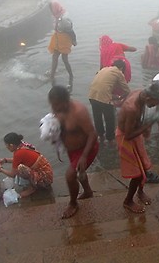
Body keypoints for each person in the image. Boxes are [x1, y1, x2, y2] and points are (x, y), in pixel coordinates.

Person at [48, 85, 99, 218]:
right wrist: (58, 144)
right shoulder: (57, 109)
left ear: (65, 102)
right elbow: (61, 129)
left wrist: (84, 156)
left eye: (57, 105)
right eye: (52, 105)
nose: (54, 109)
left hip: (87, 148)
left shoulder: (79, 111)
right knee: (79, 172)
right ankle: (88, 191)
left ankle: (73, 203)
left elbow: (93, 134)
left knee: (70, 176)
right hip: (72, 150)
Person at [116, 81, 159, 213]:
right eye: (155, 103)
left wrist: (144, 126)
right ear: (149, 98)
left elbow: (141, 114)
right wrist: (148, 124)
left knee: (143, 165)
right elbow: (128, 135)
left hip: (134, 131)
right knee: (137, 174)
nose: (155, 106)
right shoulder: (131, 108)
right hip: (126, 137)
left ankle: (140, 191)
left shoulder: (141, 93)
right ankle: (128, 201)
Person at [0, 133, 53, 198]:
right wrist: (5, 160)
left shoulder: (18, 153)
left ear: (11, 145)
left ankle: (33, 188)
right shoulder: (23, 145)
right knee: (19, 166)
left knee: (20, 168)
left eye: (6, 145)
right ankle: (33, 184)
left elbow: (12, 174)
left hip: (45, 179)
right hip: (47, 173)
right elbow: (20, 160)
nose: (6, 147)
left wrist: (0, 169)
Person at [88, 59, 131, 145]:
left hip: (92, 95)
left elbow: (103, 85)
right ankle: (110, 140)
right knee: (110, 119)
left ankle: (101, 137)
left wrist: (114, 96)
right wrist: (122, 98)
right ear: (122, 67)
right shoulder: (118, 72)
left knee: (97, 117)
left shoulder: (104, 69)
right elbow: (126, 89)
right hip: (103, 98)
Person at [47, 0, 76, 90]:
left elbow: (71, 32)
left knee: (64, 59)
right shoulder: (57, 16)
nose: (51, 11)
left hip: (64, 40)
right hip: (57, 39)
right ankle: (52, 75)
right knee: (55, 57)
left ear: (55, 8)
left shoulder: (63, 19)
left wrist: (74, 41)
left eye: (51, 9)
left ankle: (71, 76)